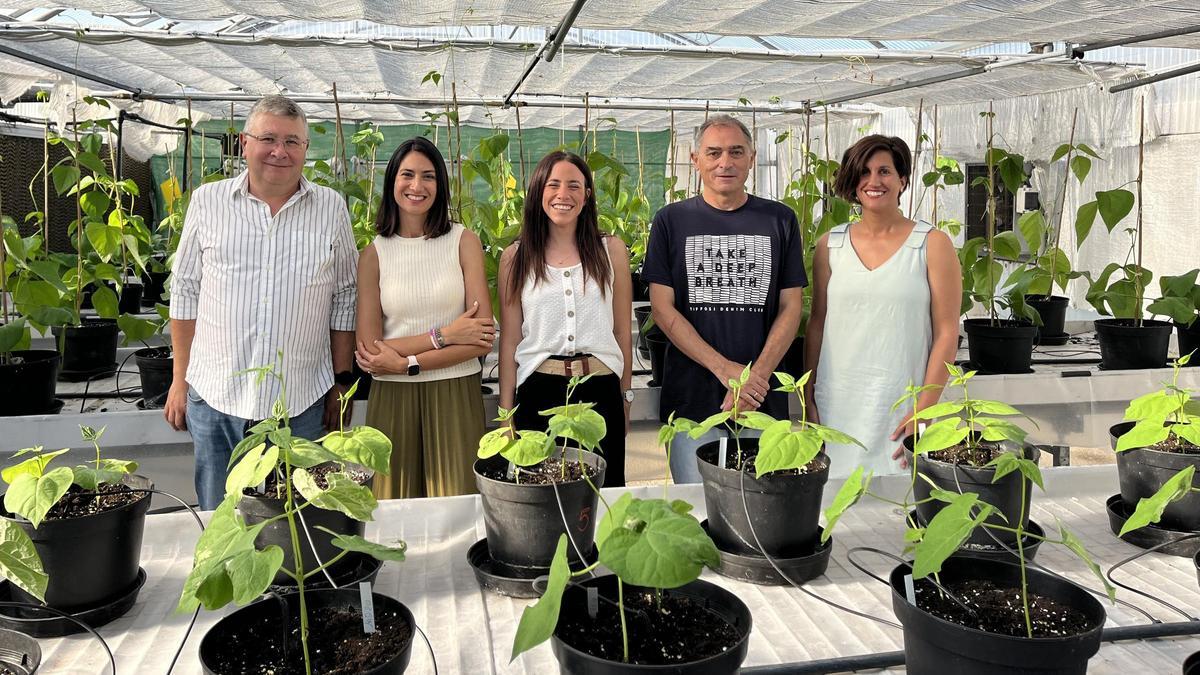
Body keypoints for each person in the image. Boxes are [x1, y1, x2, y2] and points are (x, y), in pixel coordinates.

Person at [165, 95, 358, 510]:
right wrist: (179, 380)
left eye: (292, 142)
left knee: (295, 524)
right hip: (217, 397)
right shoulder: (208, 202)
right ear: (243, 143)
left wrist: (341, 384)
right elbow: (185, 291)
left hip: (301, 401)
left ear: (306, 150)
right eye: (268, 138)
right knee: (221, 519)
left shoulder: (331, 208)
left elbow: (345, 296)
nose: (279, 151)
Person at [642, 114, 807, 484]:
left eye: (736, 152)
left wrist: (754, 380)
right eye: (713, 152)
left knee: (761, 508)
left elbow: (791, 307)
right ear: (695, 158)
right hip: (691, 403)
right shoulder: (670, 221)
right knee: (697, 508)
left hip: (760, 403)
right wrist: (726, 370)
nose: (725, 162)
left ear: (751, 157)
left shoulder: (780, 220)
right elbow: (662, 310)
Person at [804, 134, 962, 478]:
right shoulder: (830, 246)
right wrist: (808, 397)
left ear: (903, 179)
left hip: (902, 406)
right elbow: (817, 324)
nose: (873, 181)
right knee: (835, 505)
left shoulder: (931, 244)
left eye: (884, 172)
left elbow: (948, 331)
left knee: (903, 503)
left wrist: (925, 409)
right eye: (863, 172)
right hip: (839, 404)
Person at [354, 137, 493, 499]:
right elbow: (369, 352)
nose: (417, 186)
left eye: (428, 176)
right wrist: (444, 334)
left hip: (455, 392)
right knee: (391, 505)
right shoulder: (373, 254)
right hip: (392, 397)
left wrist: (405, 362)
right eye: (408, 175)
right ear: (392, 182)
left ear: (441, 185)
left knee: (458, 505)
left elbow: (480, 338)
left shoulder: (463, 241)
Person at [498, 151, 633, 486]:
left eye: (574, 185)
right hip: (538, 392)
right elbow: (511, 341)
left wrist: (626, 396)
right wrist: (505, 415)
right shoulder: (516, 257)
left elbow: (622, 332)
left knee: (603, 493)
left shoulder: (611, 251)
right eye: (553, 184)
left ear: (587, 195)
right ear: (538, 191)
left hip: (599, 389)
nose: (563, 194)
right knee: (543, 497)